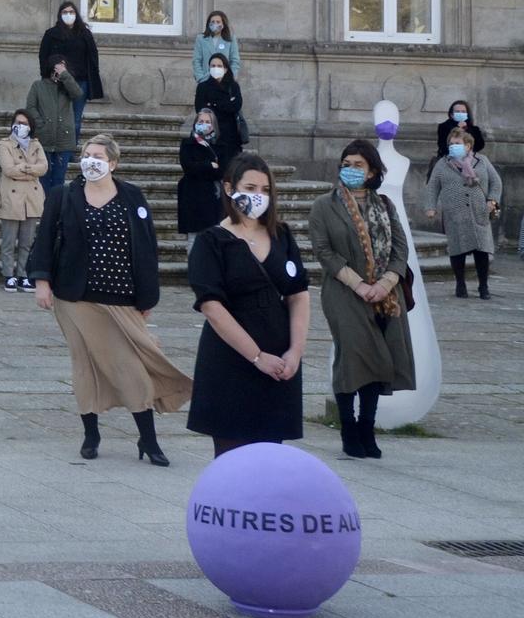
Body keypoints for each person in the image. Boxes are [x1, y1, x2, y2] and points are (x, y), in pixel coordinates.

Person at [28, 134, 189, 466]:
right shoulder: (63, 196)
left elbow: (146, 247)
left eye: (98, 156)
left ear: (113, 163)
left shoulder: (132, 196)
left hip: (121, 298)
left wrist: (147, 296)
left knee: (130, 367)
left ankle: (148, 438)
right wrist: (42, 281)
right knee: (85, 365)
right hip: (75, 298)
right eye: (87, 154)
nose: (91, 160)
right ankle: (91, 434)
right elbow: (44, 240)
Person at [185, 156, 310, 456]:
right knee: (232, 458)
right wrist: (256, 357)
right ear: (229, 188)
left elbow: (298, 294)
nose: (259, 195)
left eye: (265, 189)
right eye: (251, 187)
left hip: (279, 356)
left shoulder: (282, 235)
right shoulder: (211, 241)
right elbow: (212, 307)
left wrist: (295, 350)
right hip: (231, 358)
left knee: (271, 457)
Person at [310, 140, 417, 460]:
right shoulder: (323, 205)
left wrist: (385, 283)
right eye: (346, 163)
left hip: (386, 295)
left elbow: (400, 248)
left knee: (381, 361)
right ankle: (348, 427)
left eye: (358, 165)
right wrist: (359, 285)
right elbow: (324, 251)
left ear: (372, 171)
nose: (351, 169)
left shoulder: (385, 205)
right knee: (354, 356)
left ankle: (367, 429)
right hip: (344, 292)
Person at [427, 125, 504, 299]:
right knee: (457, 250)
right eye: (451, 143)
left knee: (482, 251)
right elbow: (432, 186)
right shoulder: (442, 164)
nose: (453, 146)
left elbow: (496, 182)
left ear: (468, 146)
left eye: (457, 143)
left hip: (479, 212)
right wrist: (430, 207)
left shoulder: (482, 161)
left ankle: (483, 286)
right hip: (454, 213)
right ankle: (460, 284)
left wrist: (492, 200)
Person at [0, 109, 47, 291]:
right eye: (17, 122)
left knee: (27, 241)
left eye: (24, 123)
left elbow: (43, 167)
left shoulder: (36, 145)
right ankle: (8, 274)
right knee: (9, 240)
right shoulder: (5, 144)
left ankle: (23, 274)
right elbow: (8, 169)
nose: (20, 126)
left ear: (30, 126)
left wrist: (23, 168)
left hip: (31, 199)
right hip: (11, 196)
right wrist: (30, 169)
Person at [37, 1, 104, 140]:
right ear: (60, 15)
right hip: (58, 82)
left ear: (76, 14)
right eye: (65, 12)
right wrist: (49, 73)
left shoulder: (85, 34)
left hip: (80, 81)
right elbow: (43, 57)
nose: (68, 15)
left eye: (71, 12)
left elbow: (93, 57)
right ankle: (57, 147)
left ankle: (71, 149)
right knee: (56, 116)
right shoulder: (51, 34)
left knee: (75, 118)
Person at [24, 54, 83, 195]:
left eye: (64, 66)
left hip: (64, 139)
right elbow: (30, 107)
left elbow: (78, 94)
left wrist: (65, 76)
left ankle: (55, 209)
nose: (61, 69)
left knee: (58, 178)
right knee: (44, 177)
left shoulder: (67, 86)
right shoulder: (38, 86)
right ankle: (44, 209)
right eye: (58, 66)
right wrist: (40, 124)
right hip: (44, 138)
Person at [175, 108, 226, 236]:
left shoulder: (219, 146)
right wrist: (209, 165)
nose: (204, 124)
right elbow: (188, 167)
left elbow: (222, 170)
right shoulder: (188, 144)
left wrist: (203, 167)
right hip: (193, 196)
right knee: (194, 237)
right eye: (201, 121)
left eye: (208, 121)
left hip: (212, 197)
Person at [193, 54, 245, 167]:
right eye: (213, 65)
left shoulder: (233, 86)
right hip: (210, 135)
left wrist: (214, 104)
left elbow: (236, 105)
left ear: (225, 69)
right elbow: (200, 110)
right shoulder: (203, 87)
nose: (216, 68)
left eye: (219, 65)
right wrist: (225, 104)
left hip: (231, 137)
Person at [431, 100, 488, 170]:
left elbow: (480, 145)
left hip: (469, 162)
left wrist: (467, 130)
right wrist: (458, 128)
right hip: (448, 163)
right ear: (452, 114)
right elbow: (443, 146)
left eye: (463, 111)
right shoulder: (443, 127)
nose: (460, 113)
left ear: (467, 114)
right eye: (457, 111)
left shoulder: (474, 129)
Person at [194, 10, 239, 86]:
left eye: (218, 22)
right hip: (206, 81)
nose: (215, 24)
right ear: (208, 24)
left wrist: (231, 78)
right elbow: (196, 61)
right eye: (213, 22)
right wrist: (200, 78)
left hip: (225, 81)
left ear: (223, 24)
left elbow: (235, 61)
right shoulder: (201, 39)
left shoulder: (230, 39)